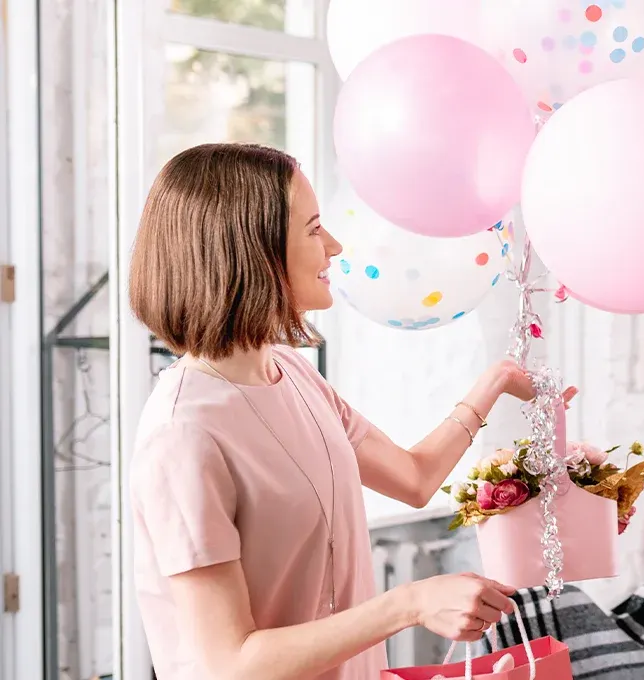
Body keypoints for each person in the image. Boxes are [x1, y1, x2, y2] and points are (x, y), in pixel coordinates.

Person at [127, 143, 567, 680]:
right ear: (251, 250)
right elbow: (230, 665)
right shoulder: (184, 434)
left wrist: (493, 384)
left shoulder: (292, 373)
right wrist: (408, 606)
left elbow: (413, 478)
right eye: (313, 229)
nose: (333, 245)